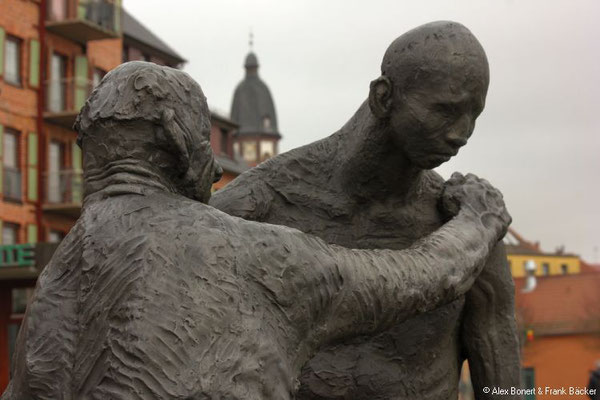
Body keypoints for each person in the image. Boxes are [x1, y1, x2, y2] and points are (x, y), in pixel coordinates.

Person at [1, 62, 509, 400]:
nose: (217, 169)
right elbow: (420, 275)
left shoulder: (56, 285)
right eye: (206, 142)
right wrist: (479, 219)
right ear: (182, 143)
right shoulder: (251, 254)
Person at [211, 21, 521, 399]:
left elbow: (502, 378)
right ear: (384, 97)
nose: (462, 133)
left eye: (475, 115)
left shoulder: (469, 223)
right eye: (445, 111)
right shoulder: (260, 202)